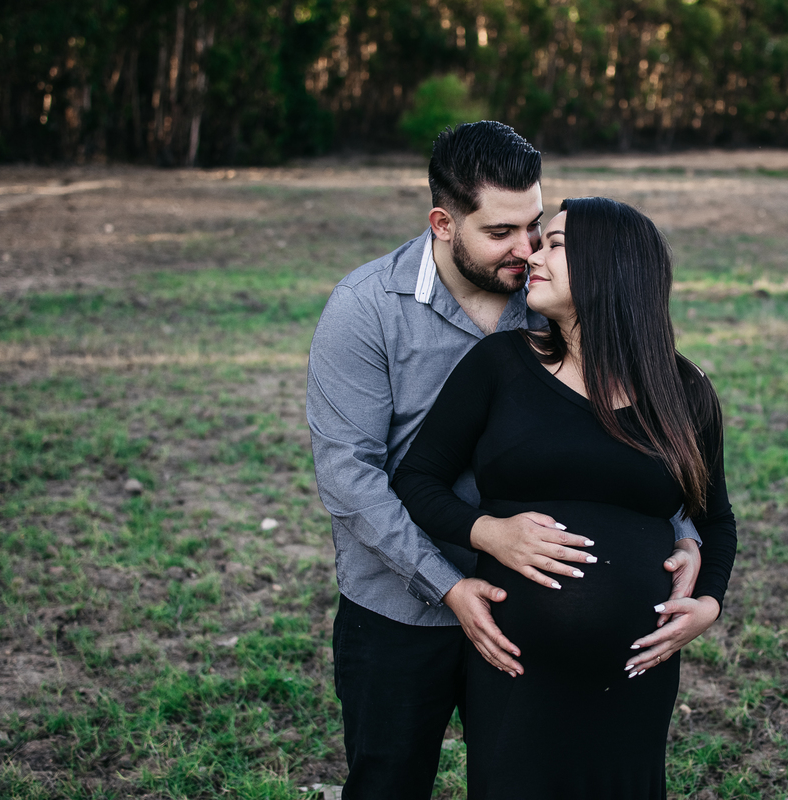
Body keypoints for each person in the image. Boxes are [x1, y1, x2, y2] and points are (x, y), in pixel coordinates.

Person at [306, 122, 704, 800]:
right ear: (443, 222)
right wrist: (451, 580)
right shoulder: (365, 310)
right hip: (404, 604)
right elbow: (350, 478)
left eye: (536, 225)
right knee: (389, 783)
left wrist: (683, 532)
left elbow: (638, 426)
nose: (526, 250)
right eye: (500, 233)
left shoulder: (553, 293)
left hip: (531, 616)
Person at [392, 197, 738, 800]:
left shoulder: (685, 391)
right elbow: (417, 479)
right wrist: (487, 532)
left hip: (635, 674)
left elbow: (716, 520)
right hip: (518, 670)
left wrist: (708, 603)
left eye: (554, 244)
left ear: (610, 267)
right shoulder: (501, 365)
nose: (532, 255)